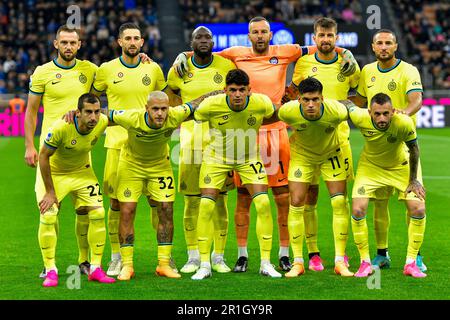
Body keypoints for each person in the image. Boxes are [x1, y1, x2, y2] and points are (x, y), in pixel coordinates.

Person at [174, 16, 358, 273]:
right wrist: (180, 56)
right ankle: (242, 255)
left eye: (263, 32)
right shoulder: (235, 53)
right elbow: (204, 49)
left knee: (282, 197)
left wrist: (345, 51)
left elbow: (321, 45)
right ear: (249, 36)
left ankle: (283, 254)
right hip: (246, 133)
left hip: (276, 130)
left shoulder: (286, 51)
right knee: (243, 198)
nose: (259, 36)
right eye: (255, 32)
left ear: (270, 34)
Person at [92, 22, 178, 276]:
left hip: (151, 145)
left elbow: (165, 101)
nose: (132, 42)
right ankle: (117, 257)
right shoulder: (106, 70)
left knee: (159, 202)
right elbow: (93, 99)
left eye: (136, 38)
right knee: (118, 204)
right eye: (127, 38)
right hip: (118, 143)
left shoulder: (152, 68)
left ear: (142, 42)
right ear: (119, 41)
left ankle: (165, 258)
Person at [110, 90, 220, 281]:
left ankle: (163, 264)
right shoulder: (131, 118)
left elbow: (195, 102)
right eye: (155, 109)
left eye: (163, 109)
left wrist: (218, 92)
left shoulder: (175, 115)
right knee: (127, 210)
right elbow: (104, 113)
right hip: (130, 166)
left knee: (166, 210)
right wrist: (76, 113)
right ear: (147, 108)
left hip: (160, 166)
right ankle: (127, 265)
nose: (160, 113)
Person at [283, 17, 360, 271]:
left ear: (336, 38)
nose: (325, 40)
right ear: (314, 38)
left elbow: (357, 97)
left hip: (337, 141)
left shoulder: (349, 63)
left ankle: (341, 258)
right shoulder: (304, 62)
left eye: (330, 36)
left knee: (340, 201)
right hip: (305, 143)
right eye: (321, 35)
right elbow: (292, 95)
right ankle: (312, 254)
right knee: (307, 199)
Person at [191, 69, 282, 280]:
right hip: (215, 159)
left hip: (249, 159)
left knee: (263, 204)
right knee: (205, 205)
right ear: (225, 91)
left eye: (242, 90)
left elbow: (275, 113)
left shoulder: (261, 103)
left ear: (250, 90)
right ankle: (204, 264)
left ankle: (266, 263)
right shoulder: (211, 105)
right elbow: (191, 114)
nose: (238, 94)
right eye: (233, 90)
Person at [25, 25, 98, 277]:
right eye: (64, 42)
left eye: (73, 43)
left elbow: (114, 75)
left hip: (79, 152)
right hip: (50, 151)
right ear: (56, 44)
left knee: (87, 210)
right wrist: (29, 145)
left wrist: (142, 57)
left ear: (79, 45)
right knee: (50, 210)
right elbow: (31, 111)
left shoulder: (89, 70)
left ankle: (84, 261)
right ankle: (50, 266)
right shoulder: (43, 72)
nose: (68, 47)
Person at [352, 29, 426, 272]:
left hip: (403, 147)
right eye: (379, 43)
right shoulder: (367, 71)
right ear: (373, 48)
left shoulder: (408, 70)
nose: (383, 47)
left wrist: (405, 112)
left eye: (388, 43)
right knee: (378, 205)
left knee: (413, 202)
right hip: (375, 148)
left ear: (395, 46)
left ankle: (415, 257)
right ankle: (381, 254)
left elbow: (416, 99)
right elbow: (361, 102)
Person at [167, 26, 236, 274]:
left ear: (213, 41)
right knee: (192, 200)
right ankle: (193, 255)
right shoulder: (178, 70)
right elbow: (171, 102)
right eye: (199, 37)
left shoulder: (226, 66)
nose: (204, 40)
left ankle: (218, 256)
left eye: (207, 37)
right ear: (191, 41)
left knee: (220, 200)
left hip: (221, 143)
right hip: (190, 143)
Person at [277, 77, 354, 277]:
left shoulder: (335, 111)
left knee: (339, 203)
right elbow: (268, 117)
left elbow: (354, 110)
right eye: (306, 100)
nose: (311, 104)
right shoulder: (288, 111)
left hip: (332, 154)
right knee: (296, 202)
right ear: (299, 99)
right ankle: (298, 262)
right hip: (303, 156)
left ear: (322, 98)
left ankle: (339, 261)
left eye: (315, 99)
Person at [38, 93, 115, 287]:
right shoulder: (62, 127)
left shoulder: (101, 121)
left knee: (98, 213)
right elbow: (43, 157)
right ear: (78, 112)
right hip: (56, 174)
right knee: (48, 215)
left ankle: (95, 268)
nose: (93, 117)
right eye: (88, 112)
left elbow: (126, 116)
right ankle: (50, 270)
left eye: (97, 112)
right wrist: (50, 192)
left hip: (82, 173)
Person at [346, 93, 426, 278]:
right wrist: (329, 103)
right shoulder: (360, 116)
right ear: (369, 112)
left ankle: (411, 263)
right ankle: (365, 263)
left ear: (392, 112)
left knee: (418, 209)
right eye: (377, 114)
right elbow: (348, 103)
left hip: (400, 166)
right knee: (358, 210)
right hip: (371, 167)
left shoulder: (403, 122)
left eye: (385, 113)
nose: (381, 118)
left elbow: (414, 148)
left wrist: (414, 179)